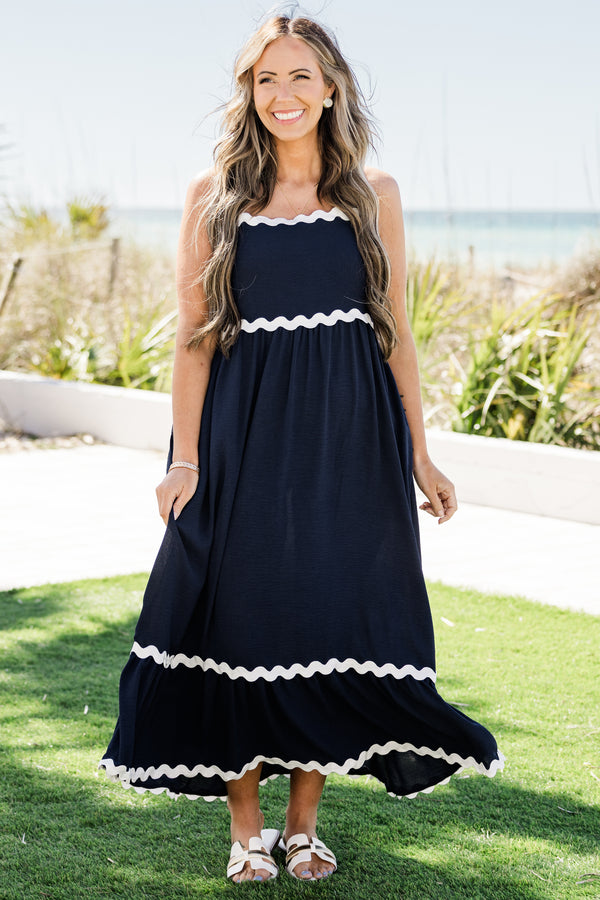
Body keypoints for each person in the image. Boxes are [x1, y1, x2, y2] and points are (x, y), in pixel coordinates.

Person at [100, 13, 504, 885]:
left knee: (328, 616)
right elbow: (194, 337)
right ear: (249, 92)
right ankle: (244, 828)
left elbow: (395, 331)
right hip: (242, 437)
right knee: (238, 619)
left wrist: (420, 455)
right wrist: (184, 459)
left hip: (349, 442)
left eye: (300, 77)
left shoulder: (373, 194)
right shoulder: (215, 194)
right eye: (266, 79)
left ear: (331, 89)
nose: (282, 95)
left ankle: (303, 825)